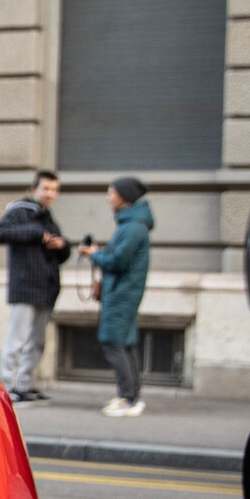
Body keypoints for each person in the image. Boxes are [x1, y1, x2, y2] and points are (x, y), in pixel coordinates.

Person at [0, 171, 69, 402]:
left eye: (54, 190)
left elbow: (62, 254)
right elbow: (0, 233)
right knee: (17, 339)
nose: (50, 194)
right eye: (46, 189)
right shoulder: (20, 211)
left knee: (37, 341)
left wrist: (62, 245)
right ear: (34, 189)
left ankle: (25, 384)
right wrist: (37, 234)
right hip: (25, 286)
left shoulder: (48, 217)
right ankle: (7, 386)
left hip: (46, 287)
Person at [87, 176, 154, 417]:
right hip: (122, 292)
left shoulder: (133, 227)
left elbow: (117, 261)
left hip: (121, 294)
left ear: (123, 196)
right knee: (124, 344)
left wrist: (94, 254)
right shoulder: (133, 224)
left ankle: (128, 398)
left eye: (111, 193)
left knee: (113, 343)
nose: (108, 198)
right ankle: (131, 396)